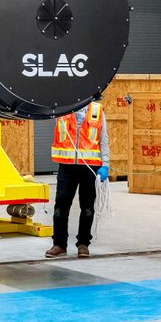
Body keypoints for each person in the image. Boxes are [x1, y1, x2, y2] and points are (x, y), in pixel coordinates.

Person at [46, 99, 109, 259]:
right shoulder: (62, 107)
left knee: (87, 208)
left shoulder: (97, 110)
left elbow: (104, 139)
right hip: (67, 166)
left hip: (90, 167)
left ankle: (83, 244)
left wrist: (106, 164)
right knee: (61, 206)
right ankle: (59, 244)